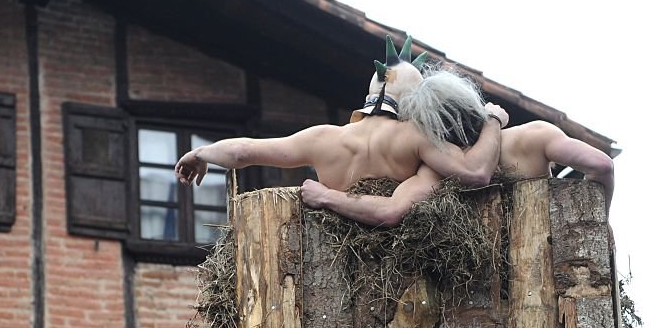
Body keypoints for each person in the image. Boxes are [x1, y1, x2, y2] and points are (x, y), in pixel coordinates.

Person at [175, 36, 507, 217]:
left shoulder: (324, 137)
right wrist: (493, 120)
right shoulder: (416, 137)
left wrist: (202, 152)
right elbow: (475, 174)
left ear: (369, 92)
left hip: (331, 257)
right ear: (415, 102)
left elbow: (243, 150)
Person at [301, 115, 616, 227]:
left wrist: (327, 196)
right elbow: (602, 164)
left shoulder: (438, 169)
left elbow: (389, 211)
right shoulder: (536, 137)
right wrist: (601, 221)